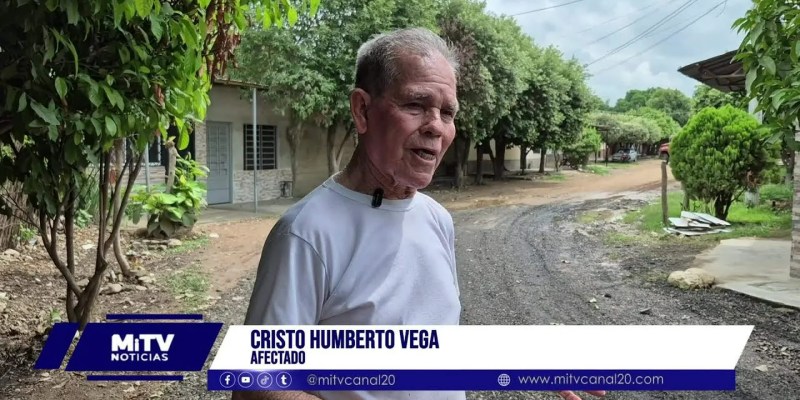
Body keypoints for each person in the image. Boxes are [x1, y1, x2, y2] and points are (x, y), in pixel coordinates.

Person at [233, 27, 605, 400]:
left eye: (447, 112)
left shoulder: (436, 219)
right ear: (363, 110)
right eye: (415, 105)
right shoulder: (306, 233)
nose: (435, 127)